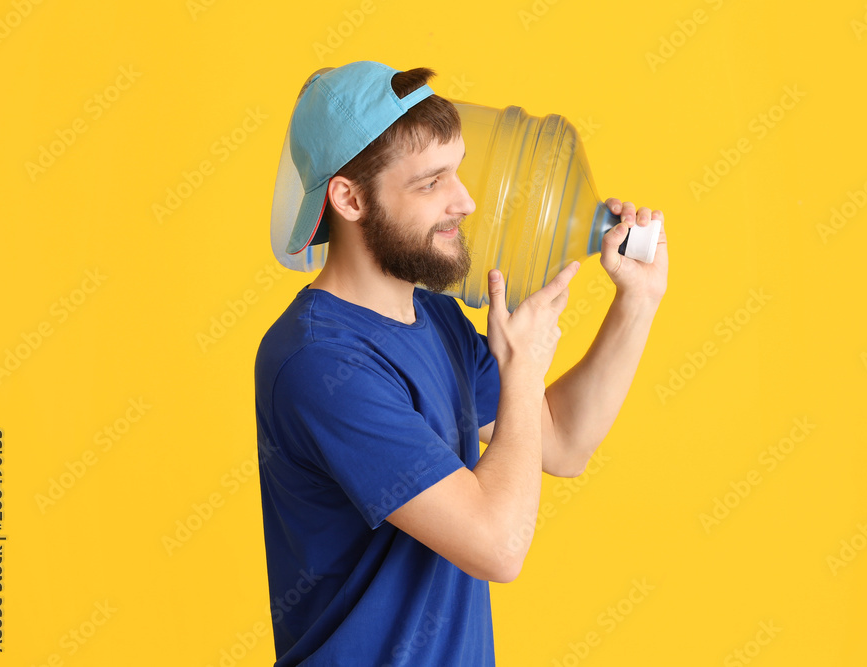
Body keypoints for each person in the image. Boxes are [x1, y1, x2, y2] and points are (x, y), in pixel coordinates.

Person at [255, 60, 668, 666]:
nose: (467, 201)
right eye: (431, 182)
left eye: (459, 171)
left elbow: (561, 443)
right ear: (348, 197)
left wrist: (637, 301)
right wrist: (522, 370)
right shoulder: (320, 361)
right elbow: (498, 546)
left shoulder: (437, 319)